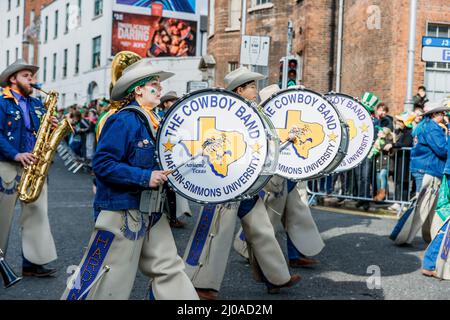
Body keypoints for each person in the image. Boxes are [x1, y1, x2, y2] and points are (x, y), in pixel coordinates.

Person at [61, 58, 198, 300]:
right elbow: (103, 164)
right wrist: (146, 176)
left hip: (152, 211)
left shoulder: (153, 121)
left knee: (170, 269)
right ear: (138, 89)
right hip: (122, 210)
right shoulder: (124, 119)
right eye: (155, 84)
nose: (161, 89)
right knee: (106, 275)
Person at [183, 67, 300, 300]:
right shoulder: (230, 114)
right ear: (240, 89)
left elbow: (264, 144)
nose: (256, 90)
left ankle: (276, 277)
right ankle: (200, 283)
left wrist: (284, 139)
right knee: (216, 232)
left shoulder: (252, 111)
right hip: (226, 182)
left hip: (245, 184)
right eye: (252, 86)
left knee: (262, 229)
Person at [0, 59, 59, 277]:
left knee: (37, 215)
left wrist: (53, 128)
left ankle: (33, 264)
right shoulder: (1, 103)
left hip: (34, 167)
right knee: (2, 218)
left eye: (31, 76)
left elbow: (43, 134)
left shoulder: (37, 104)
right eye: (26, 76)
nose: (31, 80)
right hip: (7, 165)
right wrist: (15, 153)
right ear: (12, 79)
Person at [392, 102, 448, 245]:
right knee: (421, 206)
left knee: (427, 206)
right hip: (429, 169)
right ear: (435, 114)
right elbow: (442, 150)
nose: (444, 115)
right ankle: (402, 235)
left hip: (423, 168)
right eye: (442, 113)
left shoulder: (423, 125)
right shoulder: (433, 128)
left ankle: (430, 237)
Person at [368, 127, 394, 201]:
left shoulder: (389, 140)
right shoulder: (378, 140)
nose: (378, 134)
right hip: (378, 162)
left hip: (386, 163)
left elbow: (385, 147)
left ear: (384, 134)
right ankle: (379, 194)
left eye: (379, 132)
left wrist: (378, 145)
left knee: (382, 175)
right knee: (378, 178)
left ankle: (382, 194)